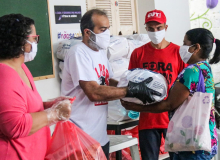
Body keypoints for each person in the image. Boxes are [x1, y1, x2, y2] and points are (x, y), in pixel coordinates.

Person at [60, 9, 159, 159]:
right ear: (87, 32)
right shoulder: (78, 52)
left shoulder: (100, 52)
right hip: (80, 137)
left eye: (108, 28)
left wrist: (136, 90)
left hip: (99, 137)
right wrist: (131, 90)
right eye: (102, 29)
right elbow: (93, 92)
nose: (107, 33)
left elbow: (109, 81)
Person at [122, 28, 220, 159]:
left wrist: (135, 107)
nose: (182, 47)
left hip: (191, 143)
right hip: (205, 136)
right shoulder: (205, 68)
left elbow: (169, 105)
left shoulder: (191, 71)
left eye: (185, 43)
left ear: (196, 47)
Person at [0, 14, 73, 160]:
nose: (35, 43)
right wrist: (53, 114)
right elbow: (15, 126)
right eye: (34, 38)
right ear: (21, 42)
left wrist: (50, 105)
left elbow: (24, 108)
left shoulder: (21, 68)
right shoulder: (4, 76)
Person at [127, 9, 187, 160]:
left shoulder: (178, 52)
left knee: (178, 158)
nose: (155, 32)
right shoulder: (138, 53)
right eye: (151, 28)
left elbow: (186, 86)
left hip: (173, 117)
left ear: (166, 27)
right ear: (146, 28)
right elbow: (131, 83)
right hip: (148, 118)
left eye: (159, 28)